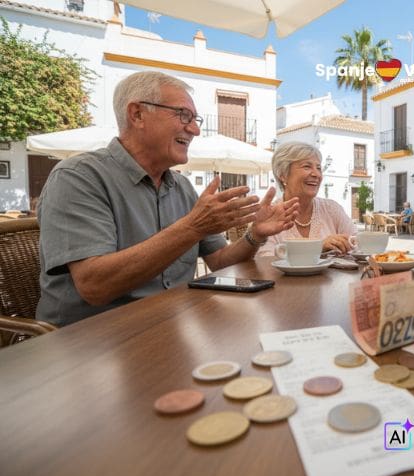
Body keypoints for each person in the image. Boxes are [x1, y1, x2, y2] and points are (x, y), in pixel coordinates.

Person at [37, 71, 299, 326]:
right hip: (89, 342)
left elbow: (219, 261)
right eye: (183, 115)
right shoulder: (78, 177)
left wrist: (256, 235)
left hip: (171, 325)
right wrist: (193, 227)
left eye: (196, 119)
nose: (195, 129)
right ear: (137, 114)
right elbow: (95, 286)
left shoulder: (182, 187)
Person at [257, 141, 356, 257]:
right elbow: (265, 261)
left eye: (318, 168)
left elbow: (358, 243)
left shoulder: (332, 209)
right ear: (283, 175)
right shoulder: (270, 215)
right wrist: (317, 248)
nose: (316, 174)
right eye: (307, 166)